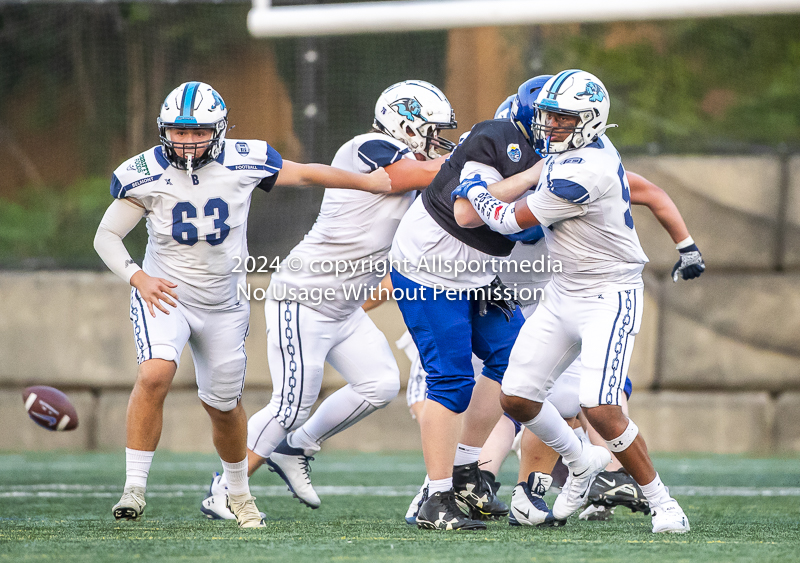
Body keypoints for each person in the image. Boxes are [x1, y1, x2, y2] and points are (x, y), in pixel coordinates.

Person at [93, 81, 391, 528]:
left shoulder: (245, 157)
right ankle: (134, 488)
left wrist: (368, 182)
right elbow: (106, 235)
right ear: (163, 130)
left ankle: (236, 492)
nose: (188, 141)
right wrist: (139, 277)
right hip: (166, 294)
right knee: (155, 372)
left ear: (220, 130)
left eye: (198, 132)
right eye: (179, 131)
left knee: (224, 406)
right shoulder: (144, 172)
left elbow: (308, 172)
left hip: (224, 304)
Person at [452, 69, 704, 533]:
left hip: (609, 292)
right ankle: (582, 462)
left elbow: (508, 220)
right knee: (517, 398)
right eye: (548, 117)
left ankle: (664, 503)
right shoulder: (572, 152)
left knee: (600, 406)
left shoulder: (584, 171)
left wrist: (474, 190)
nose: (550, 128)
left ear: (589, 121)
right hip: (565, 289)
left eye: (562, 120)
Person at [197, 80, 457, 518]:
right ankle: (225, 489)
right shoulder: (367, 146)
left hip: (343, 306)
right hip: (305, 296)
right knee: (290, 403)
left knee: (379, 383)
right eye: (432, 131)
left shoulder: (422, 168)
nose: (439, 142)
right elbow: (401, 176)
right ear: (406, 123)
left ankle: (295, 447)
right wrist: (471, 160)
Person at [388, 75, 560, 531]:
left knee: (519, 362)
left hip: (476, 273)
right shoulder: (497, 137)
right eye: (553, 117)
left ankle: (467, 470)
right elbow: (467, 212)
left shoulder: (568, 156)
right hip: (428, 269)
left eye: (570, 119)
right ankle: (436, 498)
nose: (560, 127)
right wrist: (530, 182)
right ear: (529, 116)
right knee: (452, 381)